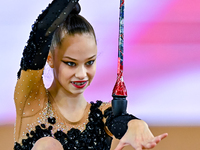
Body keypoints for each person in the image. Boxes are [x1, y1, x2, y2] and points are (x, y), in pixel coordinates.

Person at [14, 1, 168, 150]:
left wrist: (135, 124)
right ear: (50, 59)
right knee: (48, 145)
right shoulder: (32, 99)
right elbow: (42, 31)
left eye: (89, 62)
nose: (82, 74)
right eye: (71, 63)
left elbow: (120, 121)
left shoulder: (101, 115)